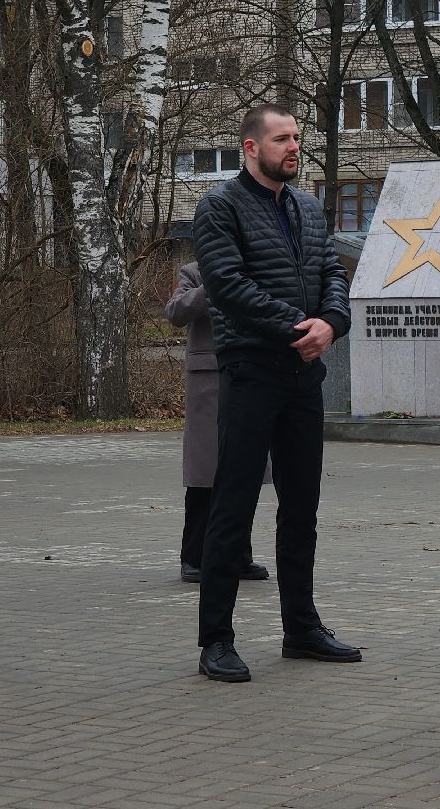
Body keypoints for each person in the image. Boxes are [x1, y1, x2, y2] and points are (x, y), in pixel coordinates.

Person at [190, 104, 355, 683]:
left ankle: (301, 629)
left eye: (297, 137)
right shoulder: (219, 206)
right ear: (250, 148)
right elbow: (227, 286)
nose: (293, 147)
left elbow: (334, 274)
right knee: (233, 505)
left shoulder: (307, 207)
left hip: (303, 377)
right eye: (281, 138)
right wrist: (298, 328)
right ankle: (216, 640)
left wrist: (331, 323)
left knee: (302, 507)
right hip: (251, 372)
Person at [164, 261, 270, 585]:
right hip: (209, 380)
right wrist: (211, 286)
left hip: (251, 371)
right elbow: (175, 312)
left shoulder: (255, 267)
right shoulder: (194, 272)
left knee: (243, 471)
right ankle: (193, 556)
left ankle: (238, 555)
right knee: (204, 475)